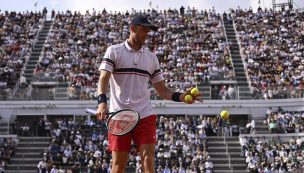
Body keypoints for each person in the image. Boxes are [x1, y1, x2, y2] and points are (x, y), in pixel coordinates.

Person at [96, 14, 201, 173]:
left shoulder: (151, 58)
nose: (146, 34)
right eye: (143, 30)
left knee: (148, 158)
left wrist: (181, 97)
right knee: (118, 165)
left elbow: (162, 90)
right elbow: (103, 78)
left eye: (148, 31)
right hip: (119, 115)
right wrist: (102, 102)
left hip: (145, 114)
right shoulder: (114, 51)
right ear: (132, 29)